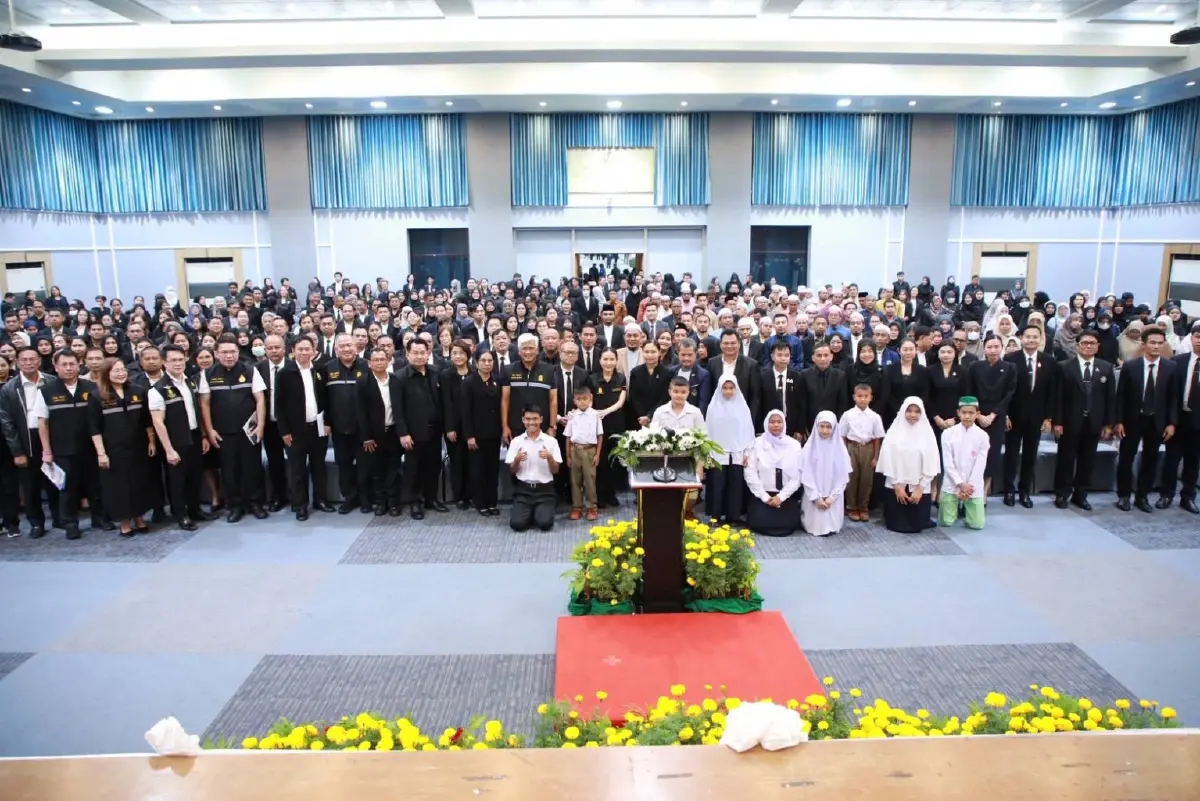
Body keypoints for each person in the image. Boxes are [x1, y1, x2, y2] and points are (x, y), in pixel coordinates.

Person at [34, 349, 112, 539]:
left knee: (96, 485)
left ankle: (99, 517)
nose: (68, 368)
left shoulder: (91, 387)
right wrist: (46, 451)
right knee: (67, 488)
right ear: (56, 367)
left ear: (79, 365)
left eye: (72, 364)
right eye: (64, 364)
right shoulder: (46, 390)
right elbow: (42, 424)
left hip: (91, 447)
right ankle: (70, 523)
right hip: (63, 449)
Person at [200, 334, 268, 522]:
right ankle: (235, 506)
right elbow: (204, 404)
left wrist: (260, 425)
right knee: (229, 471)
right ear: (216, 354)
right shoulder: (207, 375)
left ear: (238, 352)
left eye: (232, 352)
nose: (229, 356)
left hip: (249, 430)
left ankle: (255, 503)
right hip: (223, 433)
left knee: (252, 468)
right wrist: (209, 430)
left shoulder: (250, 370)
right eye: (224, 352)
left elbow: (260, 399)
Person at [148, 345, 213, 531]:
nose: (178, 363)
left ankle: (195, 510)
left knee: (194, 476)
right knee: (177, 480)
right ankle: (181, 515)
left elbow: (198, 411)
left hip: (193, 435)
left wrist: (203, 436)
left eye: (180, 359)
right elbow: (158, 422)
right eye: (173, 360)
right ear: (164, 362)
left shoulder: (190, 382)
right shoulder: (158, 390)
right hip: (174, 441)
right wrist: (168, 449)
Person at [89, 358, 154, 537]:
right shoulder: (97, 396)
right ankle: (125, 522)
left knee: (139, 483)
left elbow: (147, 420)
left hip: (138, 447)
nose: (121, 373)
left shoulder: (138, 391)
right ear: (106, 374)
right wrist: (101, 453)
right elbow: (94, 428)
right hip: (113, 450)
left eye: (123, 369)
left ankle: (140, 518)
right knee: (119, 486)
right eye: (116, 370)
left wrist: (151, 441)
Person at [1114, 326, 1177, 513]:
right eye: (1153, 342)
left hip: (1156, 421)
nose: (1156, 346)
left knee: (1150, 459)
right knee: (1126, 458)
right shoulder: (1130, 366)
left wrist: (1172, 423)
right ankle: (1124, 495)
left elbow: (1173, 398)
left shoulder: (1170, 367)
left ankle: (1142, 496)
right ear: (1144, 344)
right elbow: (1121, 396)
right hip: (1132, 420)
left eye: (1160, 343)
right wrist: (1118, 421)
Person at [1051, 330, 1115, 510]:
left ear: (1098, 346)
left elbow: (1110, 398)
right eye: (1084, 343)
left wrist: (1108, 424)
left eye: (1092, 343)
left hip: (1094, 422)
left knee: (1088, 461)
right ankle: (1062, 493)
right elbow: (1058, 397)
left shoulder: (1106, 368)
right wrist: (1057, 421)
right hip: (1069, 421)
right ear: (1077, 345)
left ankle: (1081, 495)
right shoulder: (1064, 366)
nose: (1088, 346)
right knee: (1066, 459)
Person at [0, 347, 59, 537]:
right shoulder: (9, 388)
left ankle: (60, 518)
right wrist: (17, 451)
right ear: (17, 362)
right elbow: (7, 422)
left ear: (39, 361)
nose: (28, 363)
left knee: (55, 481)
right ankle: (36, 523)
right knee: (30, 485)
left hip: (51, 436)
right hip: (25, 439)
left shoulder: (51, 381)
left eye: (32, 359)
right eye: (24, 360)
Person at [276, 337, 334, 520]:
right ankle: (300, 505)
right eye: (300, 349)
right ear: (293, 350)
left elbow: (328, 399)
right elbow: (279, 405)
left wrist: (328, 422)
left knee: (319, 467)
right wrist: (284, 431)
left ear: (313, 350)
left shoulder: (320, 370)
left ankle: (321, 500)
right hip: (295, 431)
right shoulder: (285, 373)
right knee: (298, 469)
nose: (303, 353)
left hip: (318, 428)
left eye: (307, 349)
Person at [1002, 325, 1057, 508]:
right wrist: (1006, 414)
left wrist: (1049, 417)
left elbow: (1052, 392)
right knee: (1011, 454)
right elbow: (1006, 391)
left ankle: (1024, 492)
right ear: (1021, 338)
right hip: (1014, 416)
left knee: (1030, 455)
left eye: (1035, 337)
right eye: (1028, 336)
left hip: (1036, 417)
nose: (1031, 340)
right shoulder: (1010, 359)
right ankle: (1009, 490)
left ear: (1040, 339)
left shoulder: (1049, 361)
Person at [395, 338, 446, 519]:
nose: (419, 356)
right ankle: (414, 502)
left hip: (434, 430)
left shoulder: (435, 372)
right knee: (413, 469)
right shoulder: (400, 377)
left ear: (428, 354)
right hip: (413, 433)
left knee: (433, 466)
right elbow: (397, 409)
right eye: (415, 353)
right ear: (407, 354)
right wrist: (403, 433)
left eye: (422, 353)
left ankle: (431, 498)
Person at [876, 396, 940, 534]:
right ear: (903, 411)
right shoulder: (893, 433)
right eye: (909, 410)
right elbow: (887, 461)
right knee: (896, 524)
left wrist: (920, 489)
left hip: (919, 489)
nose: (913, 414)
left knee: (918, 525)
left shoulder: (927, 434)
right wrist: (897, 486)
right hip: (896, 487)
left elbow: (931, 464)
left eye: (917, 411)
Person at [322, 333, 370, 513]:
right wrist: (327, 422)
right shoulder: (328, 368)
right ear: (336, 350)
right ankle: (349, 498)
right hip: (339, 427)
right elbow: (324, 399)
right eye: (342, 346)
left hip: (363, 428)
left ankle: (365, 498)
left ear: (356, 347)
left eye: (349, 345)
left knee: (365, 466)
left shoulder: (367, 366)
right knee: (344, 465)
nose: (346, 349)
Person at [965, 334, 1016, 497]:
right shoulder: (975, 366)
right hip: (975, 416)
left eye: (996, 347)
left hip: (997, 416)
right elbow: (969, 391)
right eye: (989, 347)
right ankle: (969, 488)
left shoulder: (1009, 367)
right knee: (972, 453)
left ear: (1001, 347)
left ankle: (985, 491)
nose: (993, 350)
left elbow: (1009, 394)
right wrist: (978, 414)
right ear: (984, 348)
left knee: (992, 454)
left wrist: (993, 415)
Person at [1159, 320, 1200, 514]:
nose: (1199, 341)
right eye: (1197, 336)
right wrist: (1170, 421)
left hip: (1198, 422)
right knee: (1171, 459)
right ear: (1191, 338)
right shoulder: (1178, 362)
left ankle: (1188, 496)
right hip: (1178, 419)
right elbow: (1171, 395)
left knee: (1193, 461)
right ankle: (1166, 494)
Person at [357, 346, 404, 516]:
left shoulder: (395, 380)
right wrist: (367, 437)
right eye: (375, 360)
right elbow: (360, 412)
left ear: (388, 361)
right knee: (377, 470)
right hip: (374, 435)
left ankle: (393, 502)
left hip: (393, 432)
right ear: (369, 363)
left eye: (382, 359)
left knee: (394, 469)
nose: (379, 362)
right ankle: (380, 502)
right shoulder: (363, 382)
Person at [744, 409, 803, 537]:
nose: (776, 425)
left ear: (784, 424)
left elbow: (797, 476)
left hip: (785, 495)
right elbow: (750, 474)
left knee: (789, 523)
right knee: (760, 522)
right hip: (762, 495)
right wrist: (765, 497)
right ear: (766, 424)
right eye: (772, 422)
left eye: (779, 422)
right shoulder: (756, 444)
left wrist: (781, 497)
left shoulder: (794, 445)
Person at [704, 376, 754, 524]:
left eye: (731, 388)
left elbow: (748, 430)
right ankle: (716, 516)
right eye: (725, 388)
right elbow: (708, 431)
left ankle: (734, 517)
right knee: (717, 485)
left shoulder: (743, 407)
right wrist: (708, 454)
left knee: (736, 486)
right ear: (719, 389)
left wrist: (747, 452)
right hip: (717, 453)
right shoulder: (713, 407)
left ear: (736, 388)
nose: (728, 391)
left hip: (738, 452)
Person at [507, 404, 561, 532]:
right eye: (528, 419)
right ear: (523, 420)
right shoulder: (516, 441)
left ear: (541, 419)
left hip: (544, 490)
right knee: (517, 524)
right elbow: (513, 471)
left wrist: (549, 458)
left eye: (535, 419)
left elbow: (556, 470)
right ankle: (529, 512)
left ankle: (538, 512)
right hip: (523, 491)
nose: (532, 422)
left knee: (545, 524)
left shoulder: (551, 442)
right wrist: (517, 460)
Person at [461, 349, 503, 516]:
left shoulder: (497, 380)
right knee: (478, 470)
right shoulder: (469, 382)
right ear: (476, 362)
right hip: (476, 435)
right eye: (483, 360)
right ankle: (480, 503)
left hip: (494, 433)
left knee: (493, 470)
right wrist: (469, 436)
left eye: (490, 361)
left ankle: (492, 502)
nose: (487, 364)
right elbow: (465, 411)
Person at [938, 397, 990, 530]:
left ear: (977, 414)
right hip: (952, 482)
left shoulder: (983, 436)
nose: (967, 416)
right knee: (946, 522)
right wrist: (960, 484)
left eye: (971, 413)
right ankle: (956, 506)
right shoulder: (948, 434)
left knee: (977, 525)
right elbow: (947, 463)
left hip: (973, 485)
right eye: (964, 412)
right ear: (958, 413)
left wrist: (968, 487)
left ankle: (966, 506)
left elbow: (980, 465)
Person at [798, 410, 851, 536]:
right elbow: (806, 476)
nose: (825, 430)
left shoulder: (840, 450)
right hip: (813, 497)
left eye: (828, 427)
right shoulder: (809, 448)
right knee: (815, 523)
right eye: (821, 426)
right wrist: (817, 498)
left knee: (832, 524)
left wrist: (832, 497)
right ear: (816, 426)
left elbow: (843, 477)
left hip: (833, 499)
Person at [838, 383, 885, 522]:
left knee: (866, 480)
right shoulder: (847, 415)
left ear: (871, 398)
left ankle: (863, 507)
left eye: (866, 396)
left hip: (868, 448)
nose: (862, 399)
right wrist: (844, 453)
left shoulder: (875, 417)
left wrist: (876, 457)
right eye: (859, 396)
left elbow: (877, 438)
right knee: (852, 478)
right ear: (854, 397)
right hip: (852, 447)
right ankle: (852, 507)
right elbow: (842, 436)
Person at [254, 334, 291, 511]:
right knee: (275, 462)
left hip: (291, 425)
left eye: (277, 347)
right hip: (269, 424)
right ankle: (279, 496)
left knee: (296, 462)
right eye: (270, 348)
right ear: (265, 350)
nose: (274, 351)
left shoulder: (294, 367)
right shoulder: (257, 369)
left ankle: (298, 497)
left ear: (284, 348)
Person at [591, 348, 628, 508]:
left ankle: (611, 494)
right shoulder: (592, 379)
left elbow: (621, 402)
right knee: (600, 461)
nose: (608, 363)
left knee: (613, 461)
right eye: (605, 359)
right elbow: (588, 400)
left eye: (612, 359)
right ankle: (599, 495)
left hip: (616, 423)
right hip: (596, 426)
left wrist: (604, 412)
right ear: (600, 361)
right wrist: (595, 413)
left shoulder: (621, 378)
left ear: (616, 361)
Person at [441, 339, 474, 510]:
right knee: (457, 463)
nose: (458, 356)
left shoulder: (474, 373)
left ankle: (471, 494)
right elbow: (445, 403)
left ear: (468, 354)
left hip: (473, 427)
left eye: (461, 353)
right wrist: (449, 428)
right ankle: (459, 496)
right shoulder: (446, 375)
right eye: (454, 353)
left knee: (472, 462)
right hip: (454, 427)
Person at [563, 384, 603, 521]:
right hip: (575, 450)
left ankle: (592, 507)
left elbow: (600, 436)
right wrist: (568, 455)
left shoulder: (595, 415)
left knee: (590, 480)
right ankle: (577, 507)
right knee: (575, 480)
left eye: (585, 398)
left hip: (590, 450)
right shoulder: (573, 416)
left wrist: (597, 454)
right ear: (575, 400)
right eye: (579, 399)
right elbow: (568, 437)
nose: (582, 401)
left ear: (590, 398)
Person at [799, 343, 851, 436]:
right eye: (819, 355)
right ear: (813, 358)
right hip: (811, 426)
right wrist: (803, 427)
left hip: (834, 426)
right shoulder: (804, 375)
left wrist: (839, 426)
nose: (823, 359)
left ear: (831, 357)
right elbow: (803, 404)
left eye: (826, 355)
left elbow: (842, 404)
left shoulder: (840, 376)